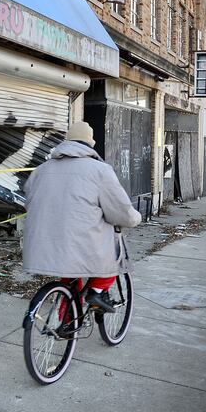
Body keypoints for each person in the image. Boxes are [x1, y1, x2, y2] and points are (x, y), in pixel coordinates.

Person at [22, 121, 142, 313]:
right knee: (113, 262)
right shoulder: (100, 170)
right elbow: (120, 210)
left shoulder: (41, 170)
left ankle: (68, 323)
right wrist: (135, 218)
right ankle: (96, 291)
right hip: (81, 243)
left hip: (43, 243)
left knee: (70, 279)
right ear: (90, 143)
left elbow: (29, 202)